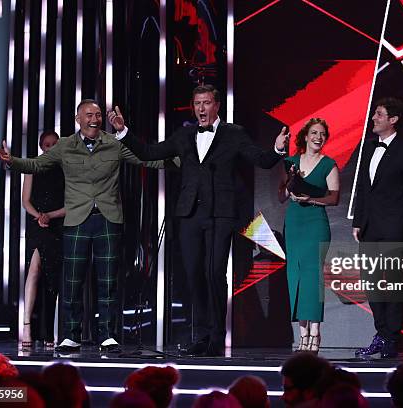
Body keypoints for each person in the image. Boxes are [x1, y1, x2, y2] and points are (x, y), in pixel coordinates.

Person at [117, 84, 288, 356]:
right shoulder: (184, 134)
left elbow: (262, 160)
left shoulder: (234, 134)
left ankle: (216, 337)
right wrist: (124, 132)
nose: (201, 109)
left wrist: (277, 150)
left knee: (214, 274)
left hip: (221, 215)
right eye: (197, 103)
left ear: (217, 105)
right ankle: (202, 334)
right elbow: (149, 152)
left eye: (206, 103)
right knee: (193, 275)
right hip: (189, 214)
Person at [0, 100, 166, 353]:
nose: (94, 119)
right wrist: (11, 162)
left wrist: (182, 157)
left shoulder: (115, 143)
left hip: (108, 218)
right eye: (89, 115)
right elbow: (35, 165)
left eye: (98, 114)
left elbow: (147, 159)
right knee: (72, 281)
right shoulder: (65, 146)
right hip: (76, 219)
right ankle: (70, 335)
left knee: (107, 280)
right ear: (78, 119)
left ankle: (108, 334)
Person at [352, 97, 403, 359]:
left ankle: (391, 336)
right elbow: (363, 188)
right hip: (369, 227)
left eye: (379, 114)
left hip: (394, 227)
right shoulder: (368, 147)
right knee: (373, 283)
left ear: (393, 119)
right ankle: (382, 334)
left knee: (393, 284)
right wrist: (357, 220)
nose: (374, 118)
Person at [278, 118, 339, 353]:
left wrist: (311, 199)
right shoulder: (290, 162)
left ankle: (315, 331)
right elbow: (281, 196)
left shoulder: (328, 164)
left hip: (315, 222)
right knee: (296, 275)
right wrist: (291, 180)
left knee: (313, 278)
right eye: (314, 132)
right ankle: (302, 333)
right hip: (294, 223)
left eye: (322, 134)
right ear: (305, 136)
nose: (318, 137)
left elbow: (334, 198)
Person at [21, 131, 65, 349]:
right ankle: (27, 324)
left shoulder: (67, 169)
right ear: (41, 147)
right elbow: (25, 200)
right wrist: (39, 216)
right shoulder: (33, 166)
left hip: (57, 224)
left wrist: (52, 215)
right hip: (37, 224)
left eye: (54, 144)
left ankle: (48, 330)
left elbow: (73, 203)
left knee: (52, 278)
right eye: (47, 145)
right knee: (34, 269)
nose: (51, 148)